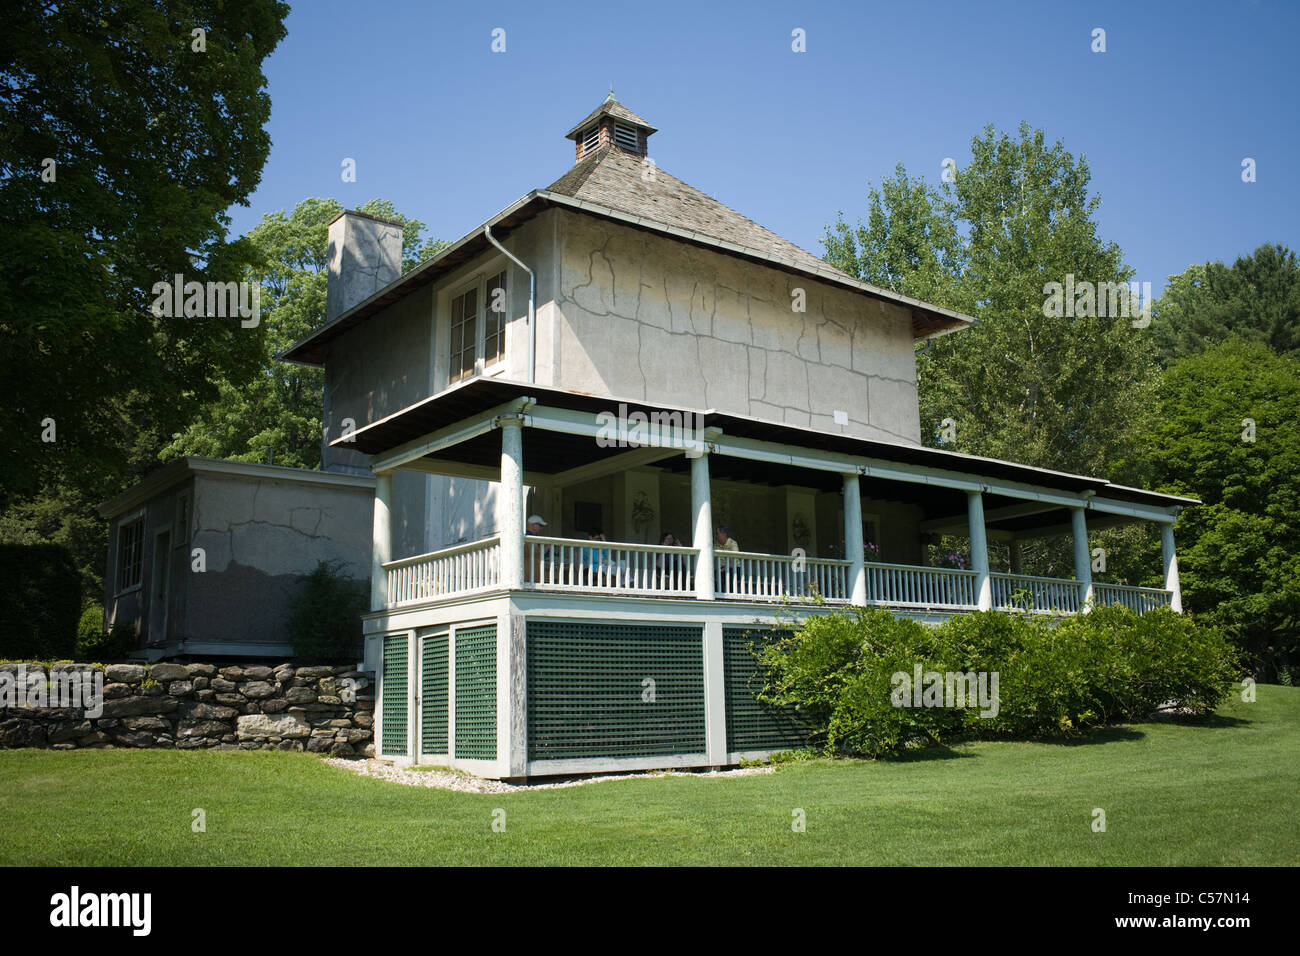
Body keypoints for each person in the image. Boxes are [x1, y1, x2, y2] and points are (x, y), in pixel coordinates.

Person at [715, 525, 739, 593]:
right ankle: (718, 595)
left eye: (717, 533)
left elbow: (733, 562)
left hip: (734, 567)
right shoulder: (716, 545)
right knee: (710, 574)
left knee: (730, 573)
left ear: (724, 534)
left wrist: (721, 570)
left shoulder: (732, 543)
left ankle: (731, 595)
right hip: (721, 568)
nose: (716, 536)